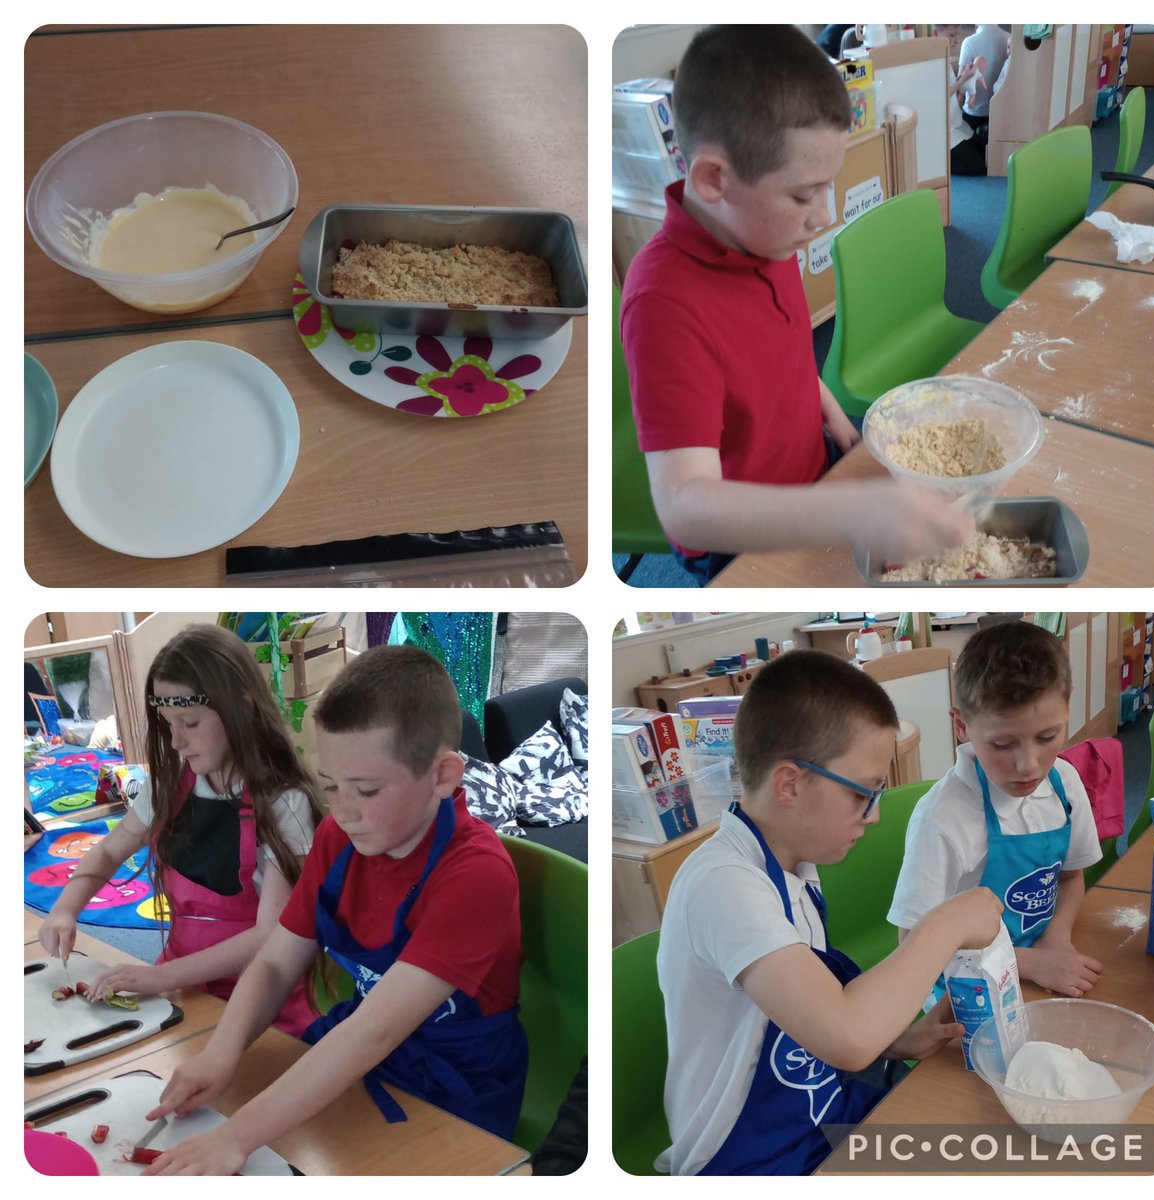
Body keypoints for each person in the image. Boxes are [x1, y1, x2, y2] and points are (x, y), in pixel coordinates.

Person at [142, 645, 528, 1176]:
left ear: (443, 776)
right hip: (354, 1061)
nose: (343, 812)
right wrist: (222, 1052)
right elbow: (277, 963)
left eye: (366, 790)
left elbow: (374, 1031)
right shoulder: (337, 838)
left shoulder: (477, 874)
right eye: (330, 786)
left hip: (454, 1088)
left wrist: (236, 1137)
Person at [619, 26, 973, 584]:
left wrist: (826, 403)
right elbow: (685, 506)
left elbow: (778, 349)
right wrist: (852, 511)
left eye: (828, 188)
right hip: (741, 535)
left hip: (814, 466)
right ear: (715, 179)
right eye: (805, 194)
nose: (824, 215)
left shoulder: (763, 232)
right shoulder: (664, 303)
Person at [656, 650, 1002, 1174]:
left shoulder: (793, 869)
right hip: (746, 1157)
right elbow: (844, 1035)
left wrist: (897, 1040)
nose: (876, 812)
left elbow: (810, 1011)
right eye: (865, 792)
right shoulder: (723, 885)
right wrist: (948, 923)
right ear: (790, 784)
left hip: (818, 1112)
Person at [39, 624, 322, 1036]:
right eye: (169, 723)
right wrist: (65, 909)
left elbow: (270, 934)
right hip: (183, 984)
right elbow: (106, 852)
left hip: (264, 1002)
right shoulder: (167, 788)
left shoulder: (284, 802)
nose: (175, 741)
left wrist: (162, 978)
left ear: (242, 708)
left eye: (189, 722)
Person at [888, 621, 1104, 1000]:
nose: (1030, 765)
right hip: (962, 987)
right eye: (1003, 744)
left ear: (1067, 709)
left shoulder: (1064, 783)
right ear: (962, 726)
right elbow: (913, 946)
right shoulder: (942, 819)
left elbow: (1071, 878)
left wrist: (1055, 940)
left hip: (1040, 964)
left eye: (1047, 737)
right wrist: (1032, 963)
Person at [934, 24, 988, 175]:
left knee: (987, 154)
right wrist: (963, 78)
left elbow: (953, 87)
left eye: (958, 35)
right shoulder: (933, 63)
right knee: (979, 167)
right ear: (936, 34)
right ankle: (941, 163)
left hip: (956, 124)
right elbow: (941, 96)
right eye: (952, 36)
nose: (957, 40)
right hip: (944, 133)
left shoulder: (945, 59)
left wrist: (965, 76)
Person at [958, 24, 1011, 135]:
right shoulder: (1010, 39)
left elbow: (960, 86)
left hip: (973, 113)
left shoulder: (969, 42)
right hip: (1000, 112)